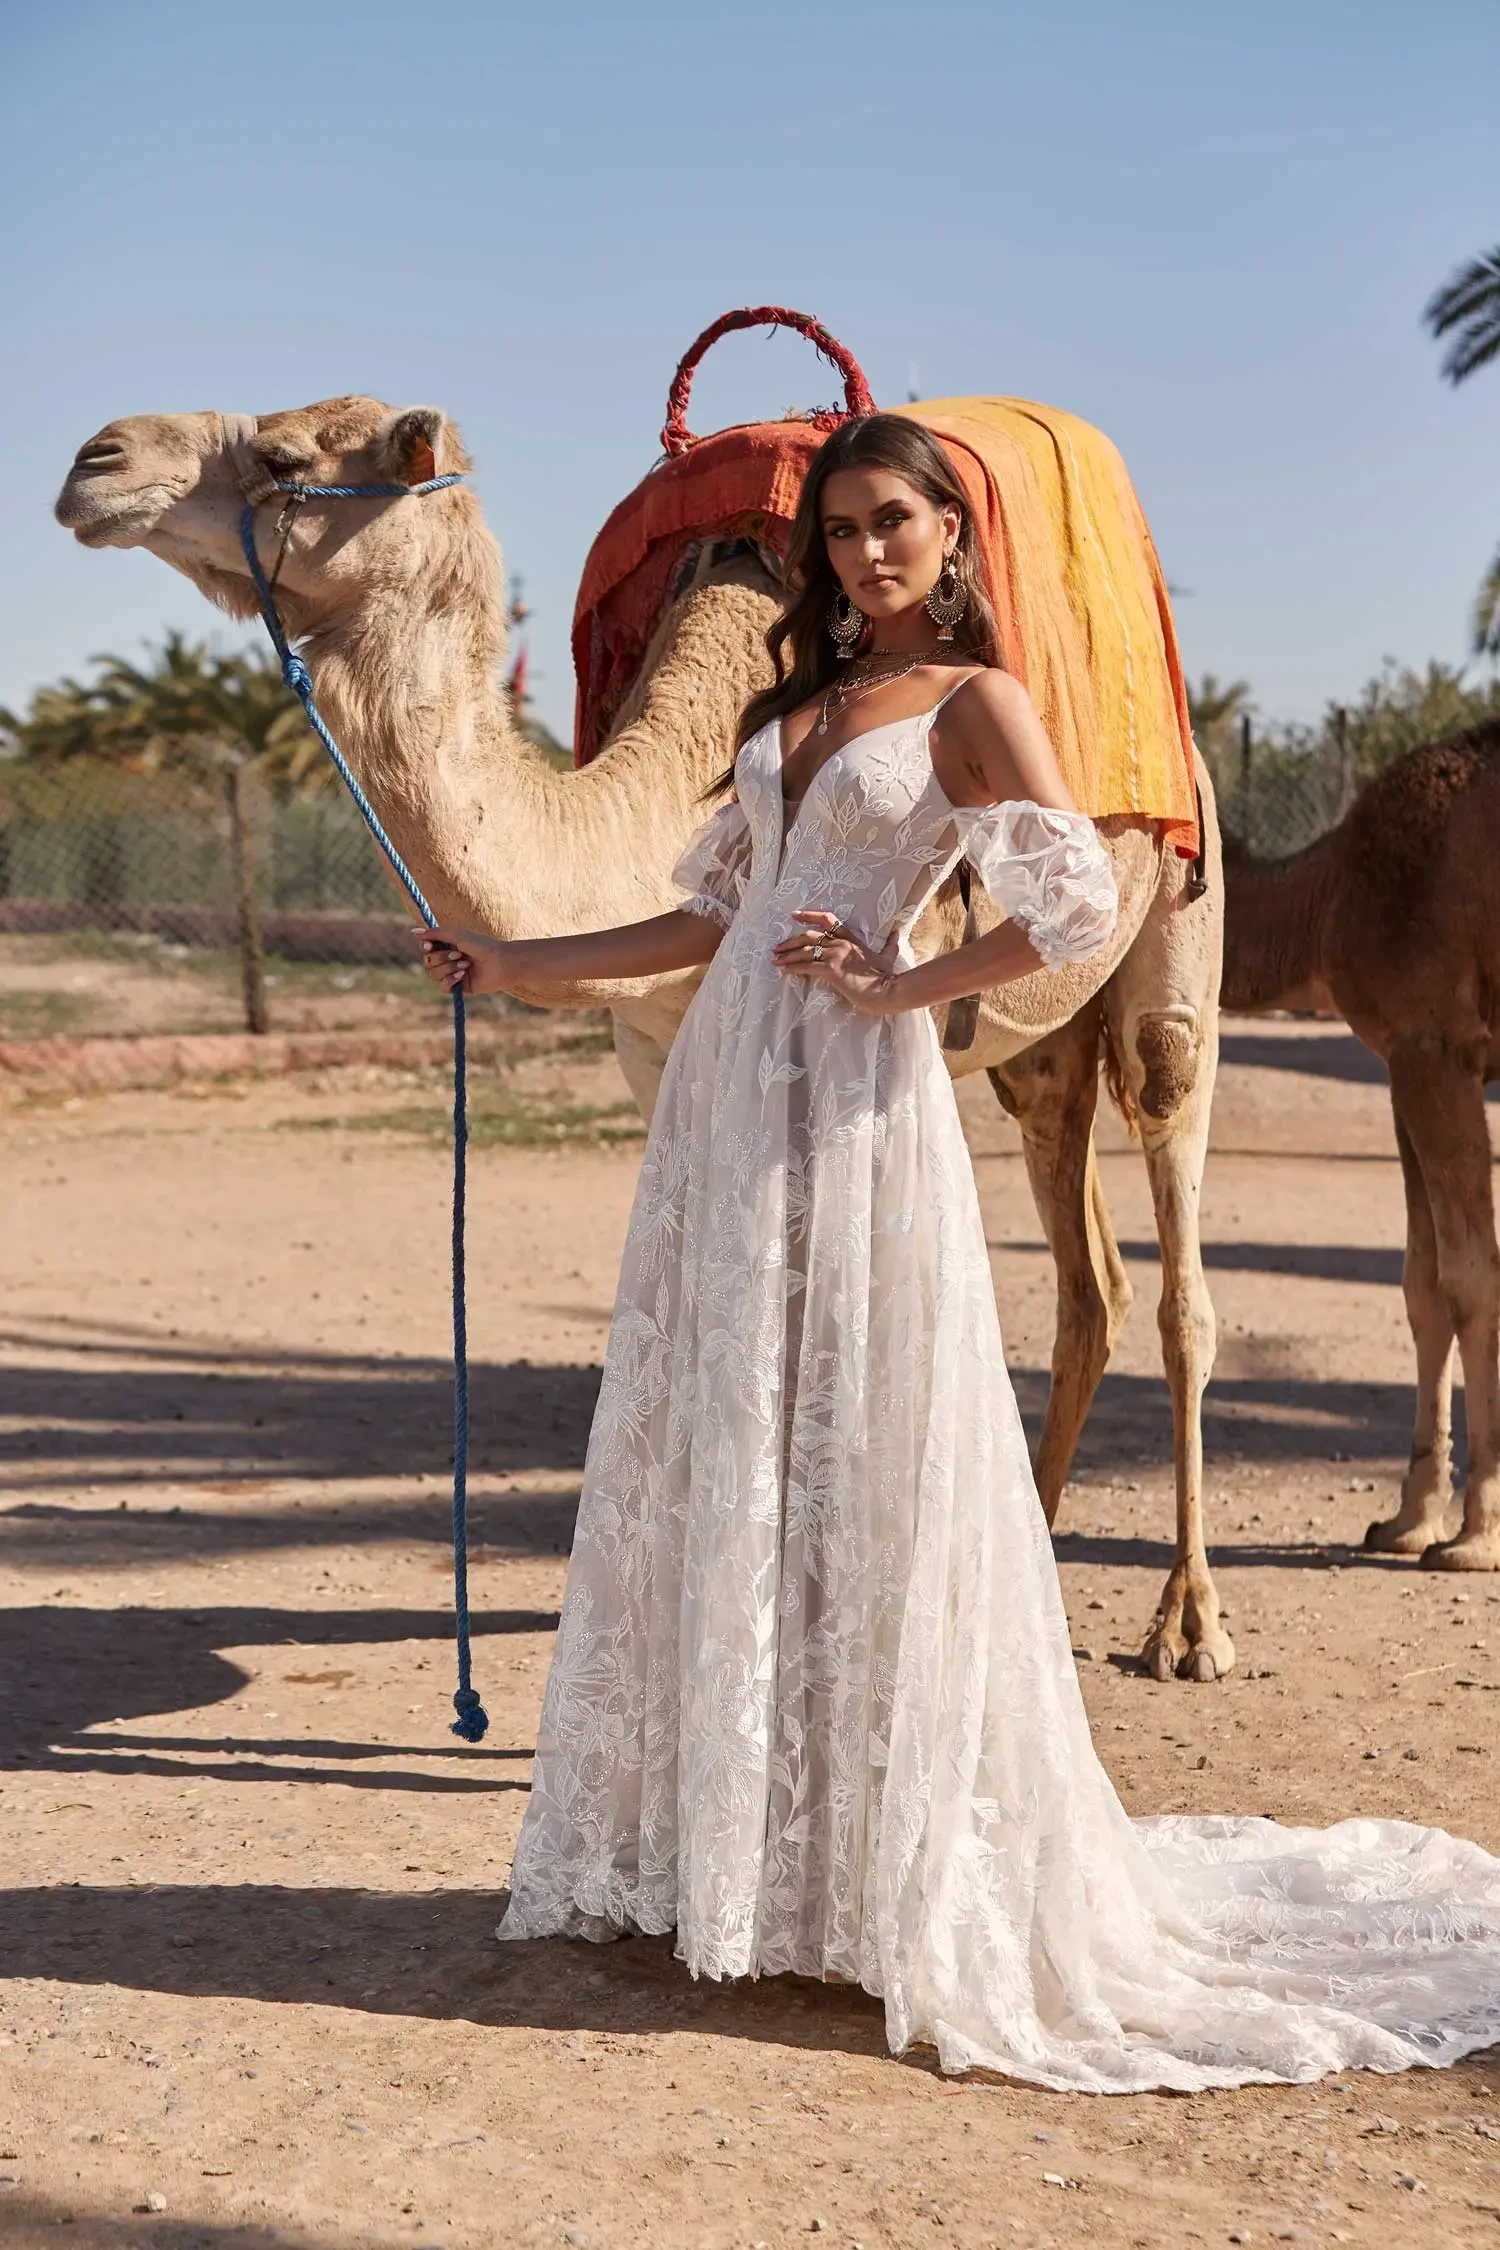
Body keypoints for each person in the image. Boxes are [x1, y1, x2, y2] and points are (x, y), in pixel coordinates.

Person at [419, 415, 1500, 2092]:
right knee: (742, 1438)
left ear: (952, 535)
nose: (867, 553)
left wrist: (903, 982)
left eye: (897, 522)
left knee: (867, 1446)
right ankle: (759, 1863)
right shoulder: (797, 713)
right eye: (842, 529)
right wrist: (509, 956)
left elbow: (1075, 904)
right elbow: (704, 919)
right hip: (726, 1099)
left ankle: (890, 1870)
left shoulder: (973, 705)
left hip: (856, 1101)